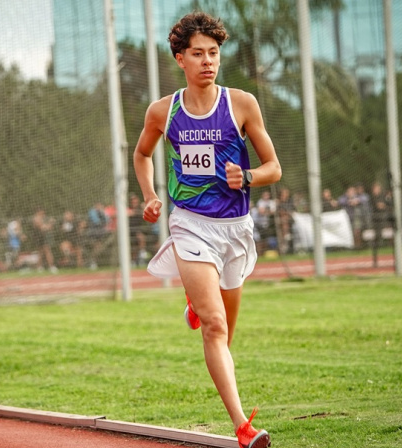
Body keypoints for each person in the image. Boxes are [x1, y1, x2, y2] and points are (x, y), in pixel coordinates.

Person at [132, 12, 279, 448]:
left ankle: (197, 302)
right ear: (181, 58)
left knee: (227, 334)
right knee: (214, 326)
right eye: (198, 53)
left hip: (235, 229)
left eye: (213, 53)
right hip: (190, 224)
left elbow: (275, 167)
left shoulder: (241, 104)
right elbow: (142, 155)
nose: (208, 61)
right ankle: (242, 426)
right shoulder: (164, 110)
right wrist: (150, 195)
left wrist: (248, 176)